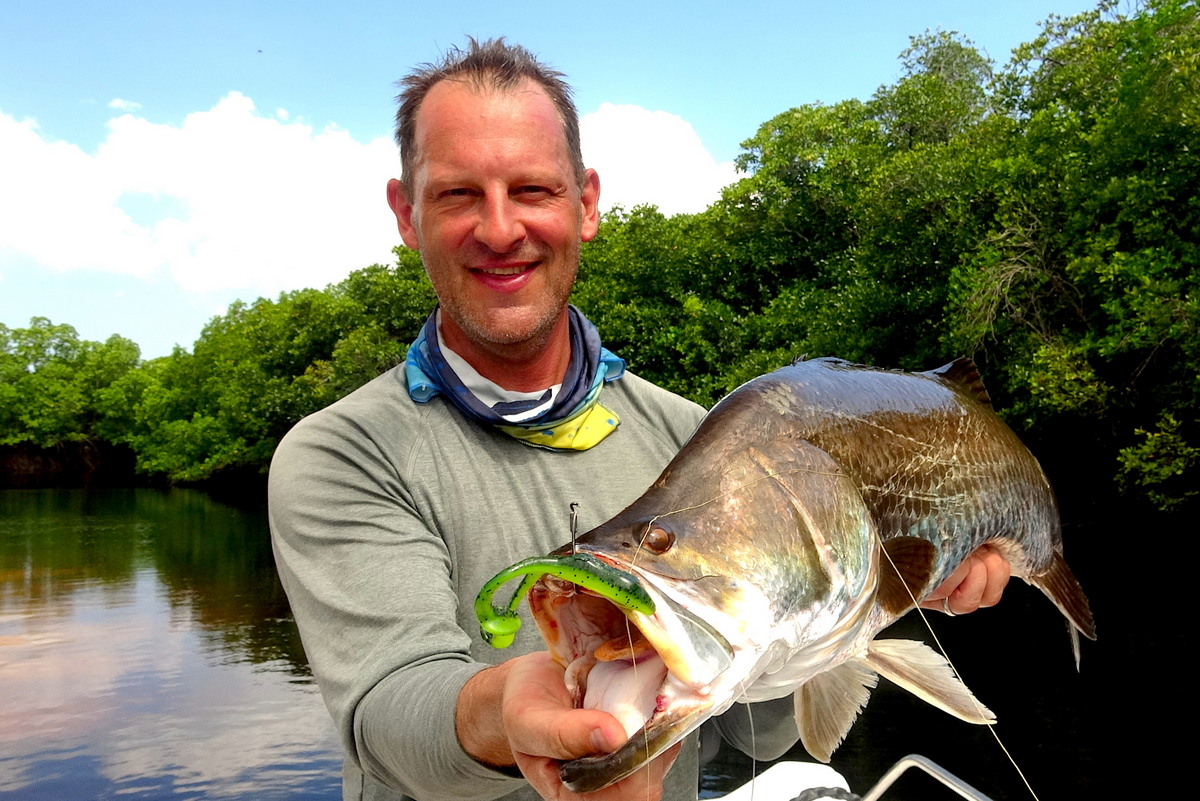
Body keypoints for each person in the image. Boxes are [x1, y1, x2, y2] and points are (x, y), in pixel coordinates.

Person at [268, 38, 1011, 801]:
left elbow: (752, 734)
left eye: (532, 189)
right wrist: (504, 713)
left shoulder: (698, 435)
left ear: (585, 203)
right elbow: (388, 711)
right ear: (406, 212)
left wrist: (867, 597)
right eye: (459, 194)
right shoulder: (339, 453)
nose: (499, 229)